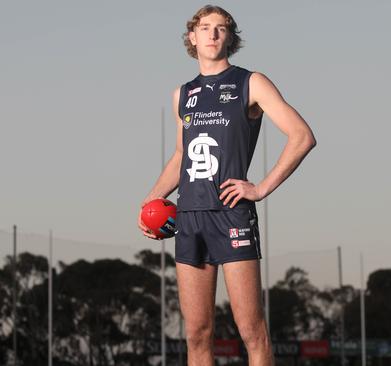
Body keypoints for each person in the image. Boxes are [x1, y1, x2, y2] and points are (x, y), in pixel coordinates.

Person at [138, 5, 316, 365]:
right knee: (197, 334)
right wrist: (152, 199)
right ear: (193, 37)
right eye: (205, 28)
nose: (213, 34)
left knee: (252, 331)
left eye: (221, 28)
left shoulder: (251, 82)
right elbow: (180, 156)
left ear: (231, 37)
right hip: (189, 217)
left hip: (232, 215)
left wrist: (261, 188)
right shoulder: (182, 95)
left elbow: (302, 136)